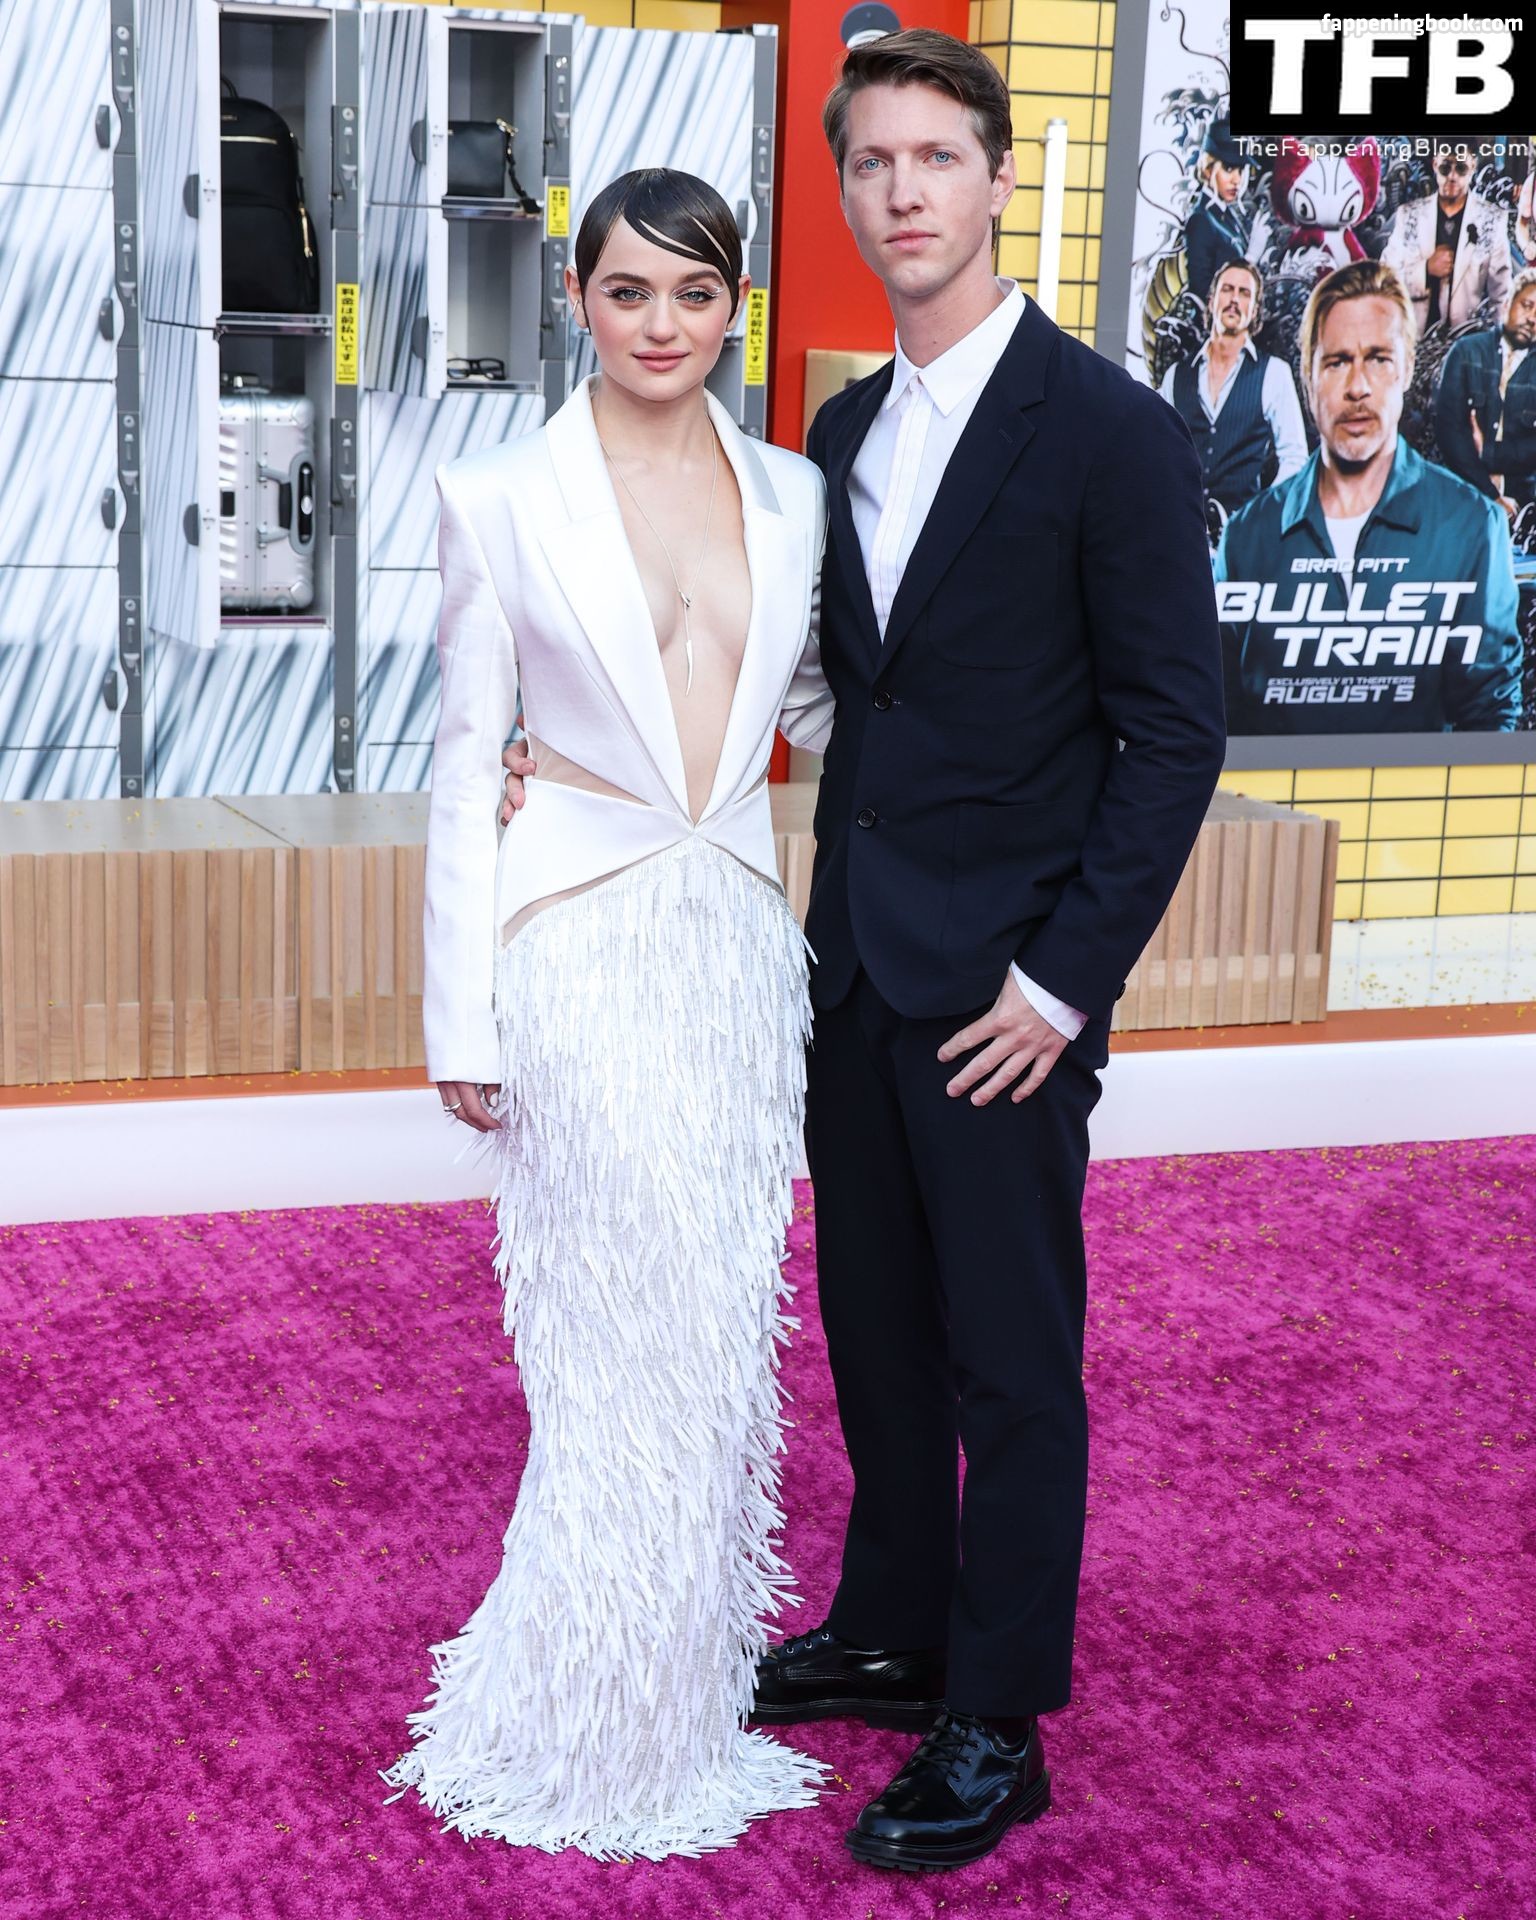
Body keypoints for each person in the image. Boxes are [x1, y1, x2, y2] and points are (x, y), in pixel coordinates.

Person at [379, 167, 840, 1861]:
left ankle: (662, 1704)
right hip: (573, 945)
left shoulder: (792, 493)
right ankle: (583, 1724)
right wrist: (461, 1021)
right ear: (576, 298)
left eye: (694, 293)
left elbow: (814, 701)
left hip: (731, 956)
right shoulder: (500, 496)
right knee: (615, 1335)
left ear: (736, 311)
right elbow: (462, 765)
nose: (661, 324)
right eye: (629, 290)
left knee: (711, 1335)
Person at [1216, 258, 1522, 733]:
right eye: (1337, 362)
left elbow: (1489, 716)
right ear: (1308, 377)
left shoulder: (1473, 527)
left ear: (1406, 369)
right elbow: (1216, 713)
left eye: (1378, 359)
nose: (1357, 387)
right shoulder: (1246, 538)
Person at [1159, 259, 1308, 525]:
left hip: (1240, 535)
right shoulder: (1175, 376)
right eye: (1227, 289)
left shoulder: (1274, 372)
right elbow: (1156, 450)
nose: (1234, 300)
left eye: (1244, 293)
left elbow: (1295, 458)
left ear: (1255, 310)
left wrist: (1261, 514)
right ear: (1212, 300)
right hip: (1178, 527)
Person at [1435, 266, 1536, 517]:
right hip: (1461, 492)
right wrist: (1491, 495)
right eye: (1527, 305)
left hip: (1523, 504)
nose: (1532, 318)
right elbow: (1450, 433)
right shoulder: (1466, 352)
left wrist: (1489, 452)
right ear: (1507, 304)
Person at [1382, 141, 1512, 334]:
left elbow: (1501, 295)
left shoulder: (1492, 219)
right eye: (1445, 168)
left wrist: (1495, 343)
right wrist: (1425, 270)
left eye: (1460, 168)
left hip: (1467, 340)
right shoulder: (1408, 215)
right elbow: (1386, 277)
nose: (1452, 176)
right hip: (1413, 338)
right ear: (1435, 165)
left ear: (1473, 166)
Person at [1184, 116, 1252, 303]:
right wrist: (1251, 258)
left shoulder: (1228, 215)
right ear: (1207, 169)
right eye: (1229, 169)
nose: (1237, 180)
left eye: (1240, 170)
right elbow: (1201, 291)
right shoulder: (1201, 220)